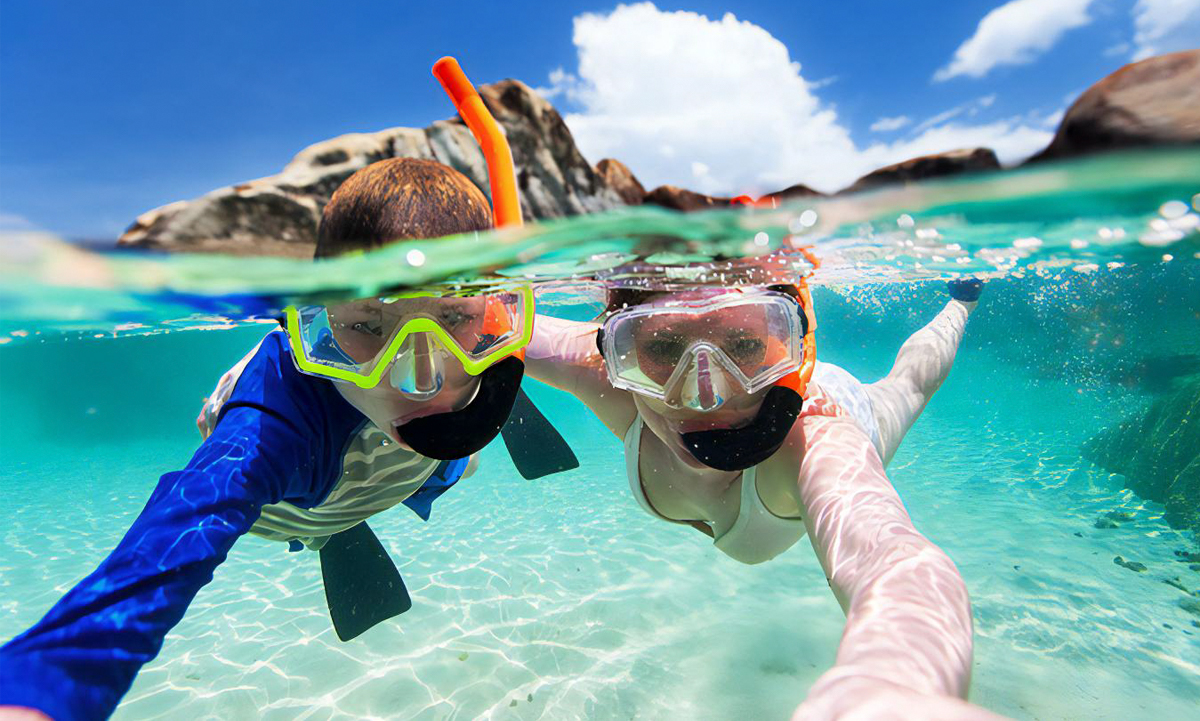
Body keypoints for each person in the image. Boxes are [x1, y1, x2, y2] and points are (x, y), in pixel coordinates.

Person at [0, 60, 561, 721]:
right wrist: (42, 694)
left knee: (451, 450)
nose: (418, 376)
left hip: (391, 475)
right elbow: (176, 534)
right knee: (428, 449)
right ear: (316, 321)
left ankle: (368, 506)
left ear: (495, 310)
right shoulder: (272, 427)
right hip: (288, 504)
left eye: (455, 319)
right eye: (364, 326)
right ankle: (332, 535)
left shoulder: (491, 344)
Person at [526, 263, 1006, 719]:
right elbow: (493, 323)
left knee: (909, 385)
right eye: (667, 349)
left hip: (838, 405)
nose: (704, 396)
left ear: (793, 344)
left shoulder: (817, 444)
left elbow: (889, 557)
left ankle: (960, 304)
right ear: (618, 354)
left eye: (743, 345)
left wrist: (896, 687)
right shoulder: (605, 375)